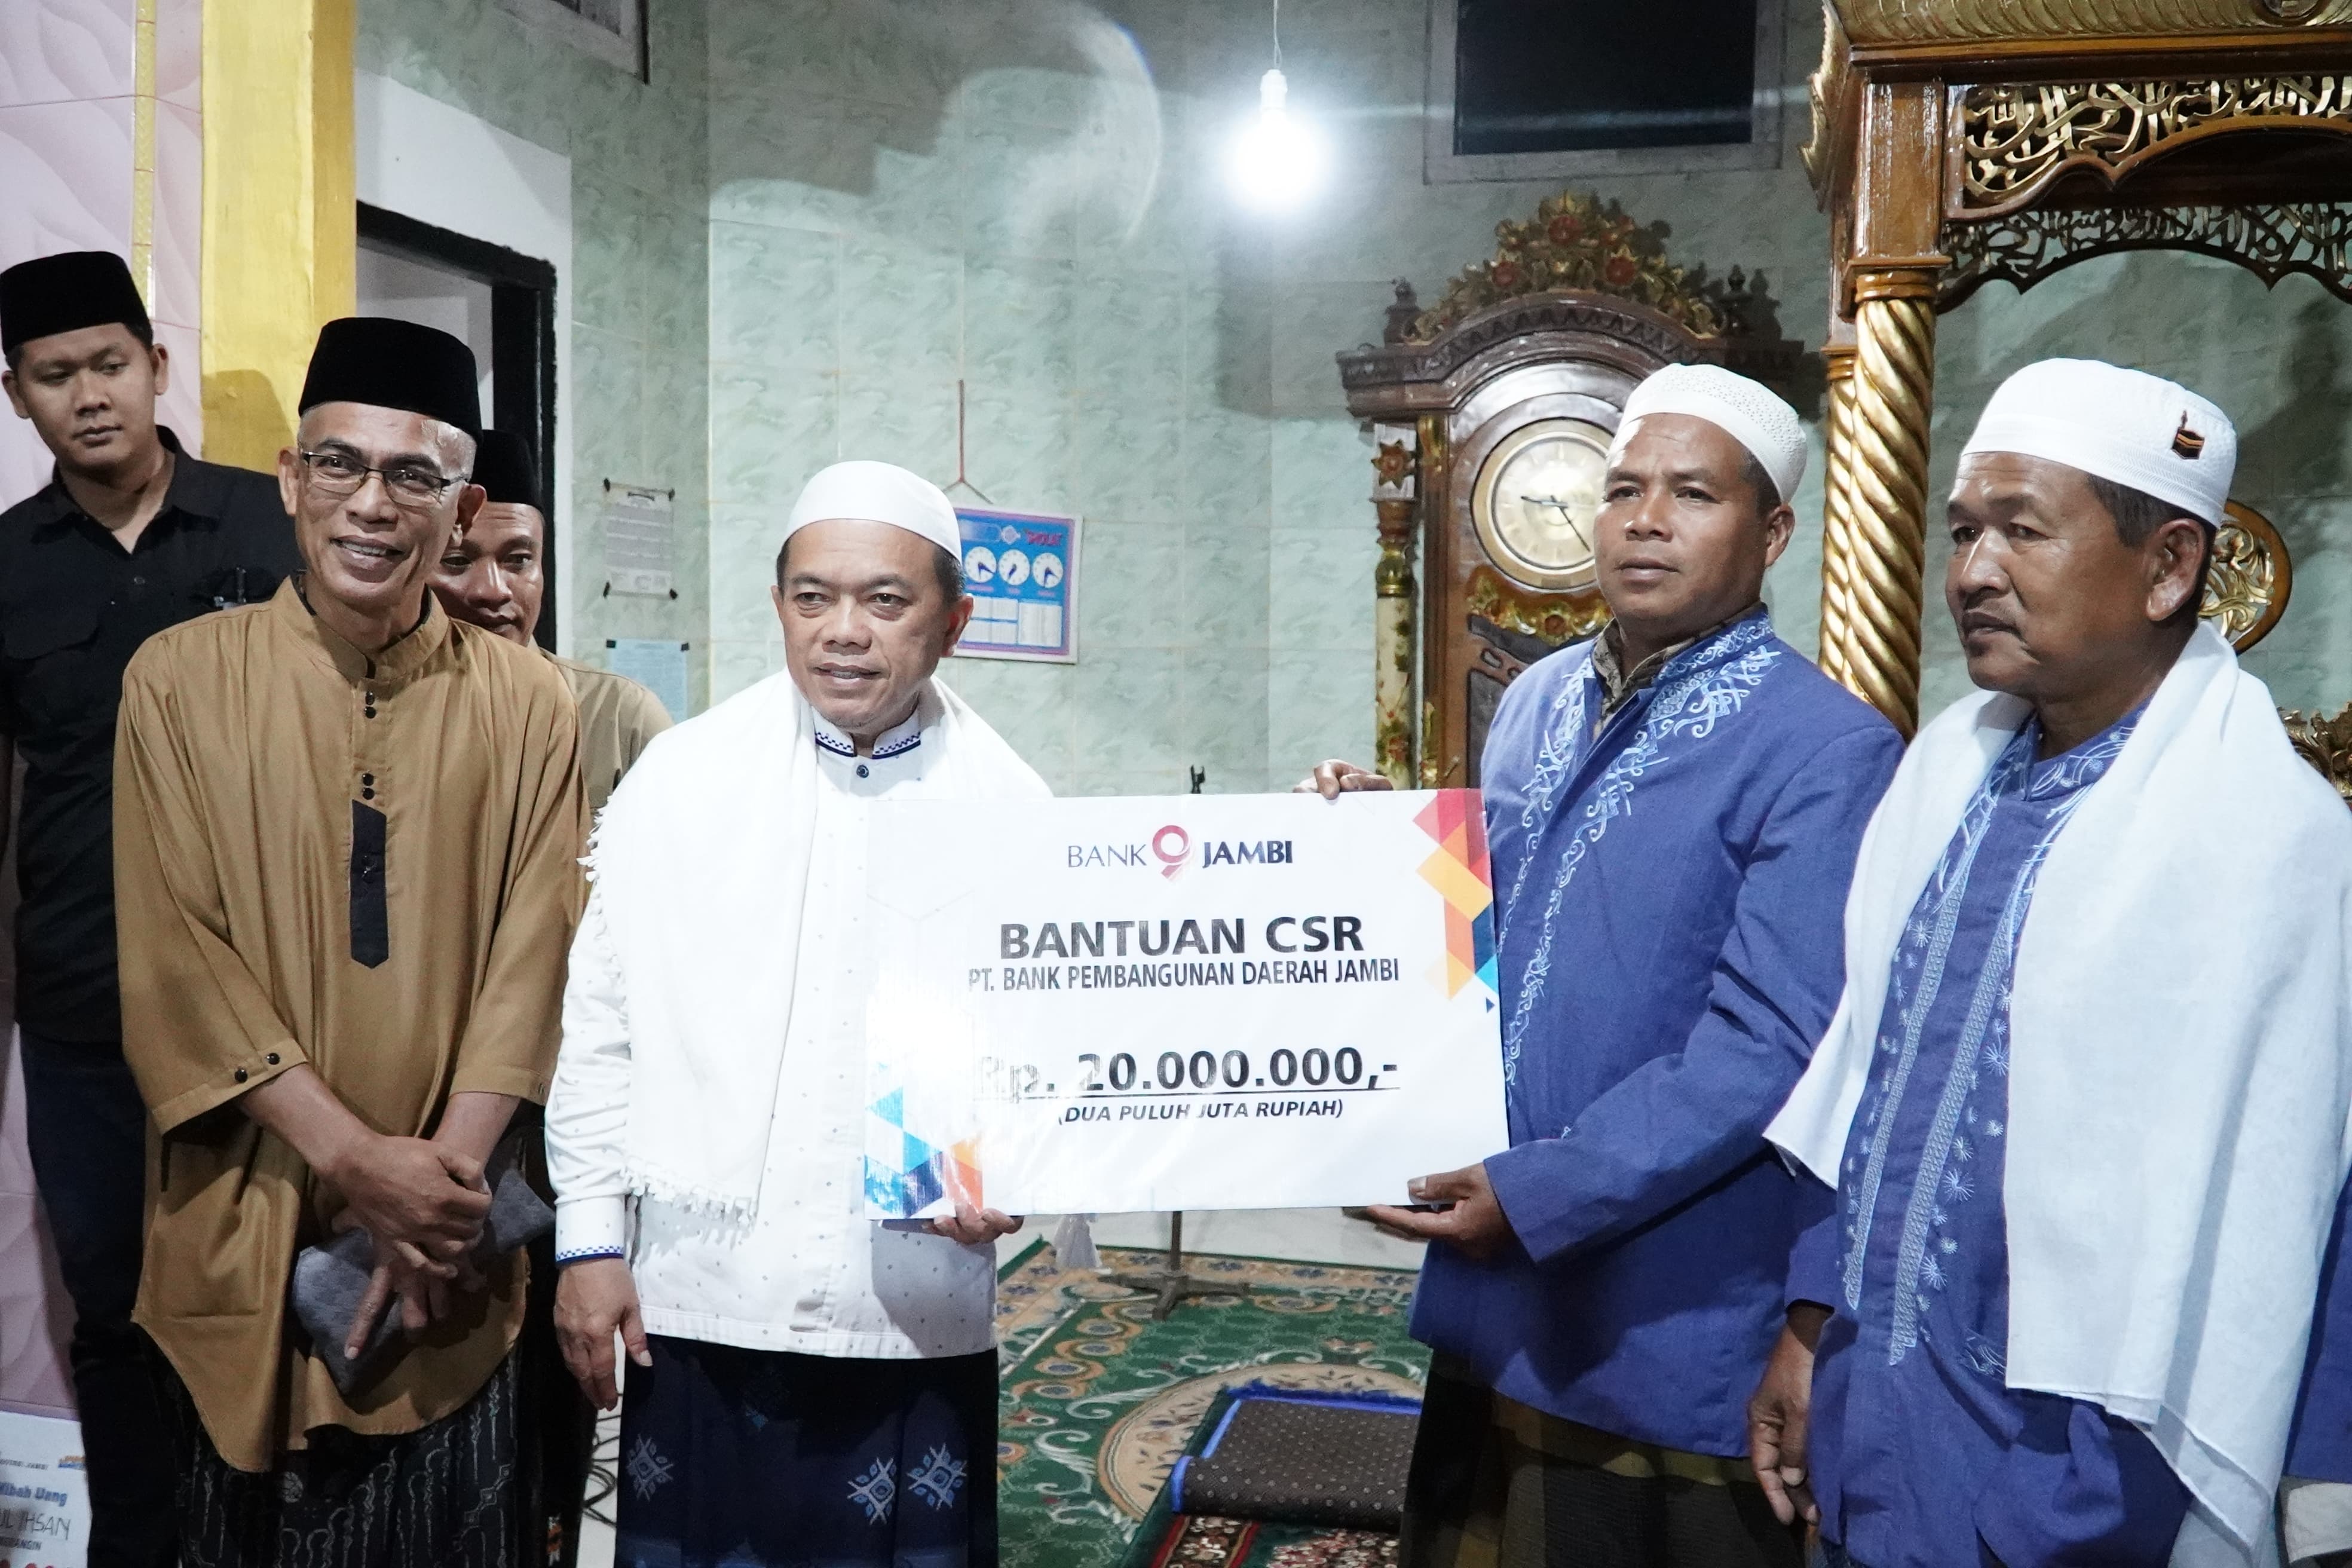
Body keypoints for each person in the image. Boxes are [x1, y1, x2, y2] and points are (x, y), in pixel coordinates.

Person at [1303, 363, 1903, 1568]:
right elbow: (1494, 920)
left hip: (1666, 1294)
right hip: (1498, 1270)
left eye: (1693, 493)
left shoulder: (1827, 748)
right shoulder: (1536, 698)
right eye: (1624, 488)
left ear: (1772, 532)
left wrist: (1537, 1193)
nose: (1645, 519)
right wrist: (1378, 848)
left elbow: (1766, 1049)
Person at [1757, 359, 2352, 1567]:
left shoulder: (2260, 840)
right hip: (1876, 1423)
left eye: (2022, 530)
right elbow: (1865, 1079)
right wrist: (1811, 1326)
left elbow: (2227, 1238)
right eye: (1963, 531)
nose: (1971, 572)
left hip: (2064, 1491)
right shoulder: (1947, 771)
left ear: (2168, 565)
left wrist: (2059, 1523)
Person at [111, 316, 586, 1566]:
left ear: (462, 508)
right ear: (290, 477)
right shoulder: (176, 681)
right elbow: (175, 955)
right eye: (339, 463)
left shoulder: (531, 703)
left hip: (451, 1241)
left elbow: (533, 959)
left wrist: (433, 1194)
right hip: (252, 1206)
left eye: (412, 475)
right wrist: (356, 1160)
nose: (370, 504)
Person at [547, 460, 1045, 1568]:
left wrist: (1013, 1177)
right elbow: (603, 1031)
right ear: (779, 605)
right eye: (813, 597)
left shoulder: (1013, 810)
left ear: (954, 621)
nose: (843, 632)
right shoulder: (680, 783)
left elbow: (1042, 1058)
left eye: (885, 599)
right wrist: (589, 1244)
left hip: (912, 1303)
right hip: (705, 1290)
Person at [0, 249, 298, 1568]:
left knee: (272, 1283)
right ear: (17, 395)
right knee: (113, 1302)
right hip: (81, 1000)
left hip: (265, 993)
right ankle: (136, 1543)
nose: (90, 395)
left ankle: (272, 1535)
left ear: (157, 366)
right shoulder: (7, 564)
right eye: (55, 375)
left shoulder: (269, 527)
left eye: (111, 364)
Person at [430, 428, 671, 813]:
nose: (493, 591)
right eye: (457, 561)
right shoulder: (378, 712)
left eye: (518, 560)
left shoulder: (615, 719)